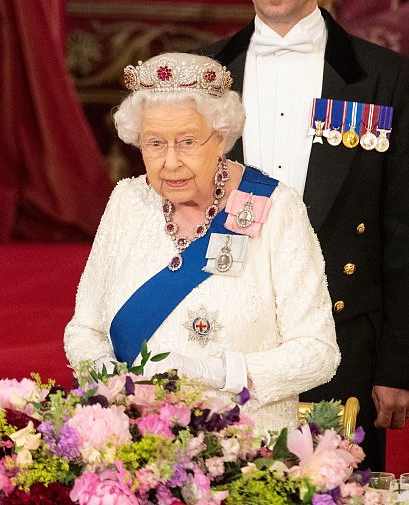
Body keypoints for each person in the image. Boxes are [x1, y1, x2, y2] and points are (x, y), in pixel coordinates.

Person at [63, 53, 340, 433]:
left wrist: (222, 372)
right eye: (154, 143)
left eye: (188, 142)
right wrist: (109, 379)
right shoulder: (127, 201)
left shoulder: (276, 208)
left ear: (222, 139)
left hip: (246, 450)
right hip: (138, 443)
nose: (170, 162)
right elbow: (85, 331)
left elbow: (318, 353)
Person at [200, 0, 409, 469]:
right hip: (221, 339)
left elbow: (403, 230)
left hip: (341, 342)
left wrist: (398, 363)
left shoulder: (385, 76)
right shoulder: (203, 72)